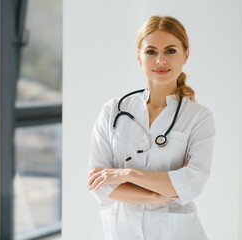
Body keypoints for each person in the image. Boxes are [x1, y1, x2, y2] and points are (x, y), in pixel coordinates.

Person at [88, 15, 216, 240]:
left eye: (170, 51)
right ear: (139, 56)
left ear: (186, 54)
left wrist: (127, 174)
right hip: (123, 231)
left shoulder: (199, 117)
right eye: (151, 51)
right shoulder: (112, 111)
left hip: (177, 233)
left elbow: (192, 183)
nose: (160, 60)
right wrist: (158, 195)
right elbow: (99, 183)